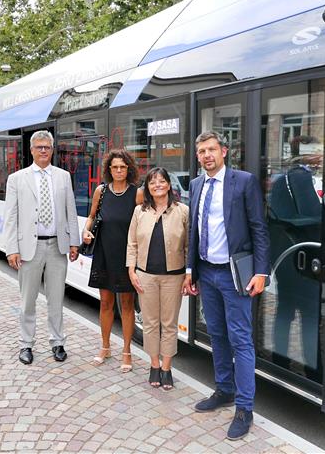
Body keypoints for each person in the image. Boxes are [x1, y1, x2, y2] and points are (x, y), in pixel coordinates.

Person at [183, 131, 269, 441]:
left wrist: (261, 272)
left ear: (224, 151)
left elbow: (259, 229)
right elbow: (194, 229)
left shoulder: (243, 182)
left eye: (211, 150)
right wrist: (190, 269)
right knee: (216, 334)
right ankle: (224, 390)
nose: (206, 155)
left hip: (236, 276)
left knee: (241, 340)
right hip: (207, 273)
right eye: (201, 151)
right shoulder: (196, 185)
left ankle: (245, 408)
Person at [4, 130, 80, 365]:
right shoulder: (17, 179)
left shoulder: (63, 176)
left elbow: (70, 210)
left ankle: (57, 342)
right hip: (30, 248)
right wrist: (11, 248)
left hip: (57, 246)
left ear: (53, 149)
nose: (43, 150)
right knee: (27, 300)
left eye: (47, 147)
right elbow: (11, 216)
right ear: (31, 150)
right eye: (39, 147)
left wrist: (74, 241)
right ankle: (26, 345)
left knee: (56, 299)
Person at [126, 167, 189, 390]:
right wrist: (131, 270)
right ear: (148, 187)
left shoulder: (182, 211)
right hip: (146, 275)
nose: (157, 185)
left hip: (174, 276)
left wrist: (188, 275)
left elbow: (189, 246)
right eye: (152, 182)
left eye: (162, 181)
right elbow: (132, 243)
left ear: (169, 185)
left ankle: (167, 368)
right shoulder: (139, 212)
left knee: (169, 324)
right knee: (151, 323)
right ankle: (154, 365)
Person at [82, 149, 143, 373]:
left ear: (129, 169)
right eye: (115, 167)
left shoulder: (137, 193)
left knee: (126, 305)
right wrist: (85, 232)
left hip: (126, 257)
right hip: (103, 254)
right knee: (105, 303)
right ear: (109, 169)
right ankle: (105, 347)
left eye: (123, 167)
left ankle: (126, 352)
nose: (118, 170)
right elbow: (91, 217)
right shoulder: (102, 191)